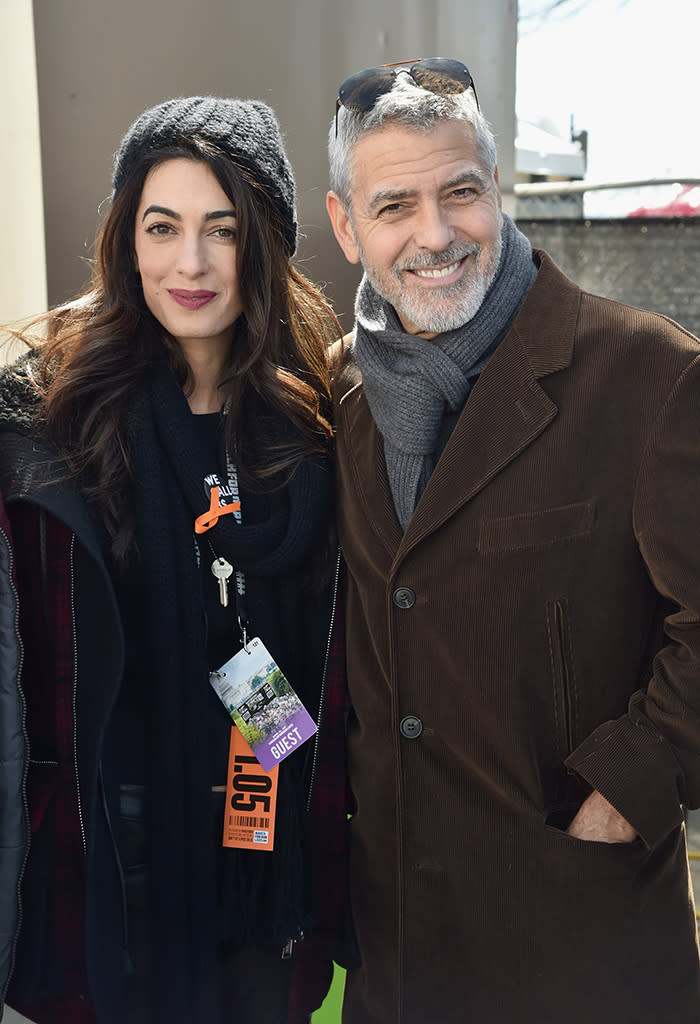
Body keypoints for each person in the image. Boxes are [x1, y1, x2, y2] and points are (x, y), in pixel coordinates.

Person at [325, 57, 700, 1023]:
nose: (435, 233)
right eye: (395, 205)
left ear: (501, 190)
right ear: (346, 226)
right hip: (399, 949)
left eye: (461, 192)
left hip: (579, 940)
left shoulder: (649, 374)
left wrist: (622, 792)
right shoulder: (338, 398)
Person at [0, 96, 347, 1024]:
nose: (189, 264)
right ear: (127, 239)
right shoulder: (47, 421)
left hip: (265, 856)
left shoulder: (324, 425)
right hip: (103, 857)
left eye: (221, 231)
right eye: (163, 227)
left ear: (264, 246)